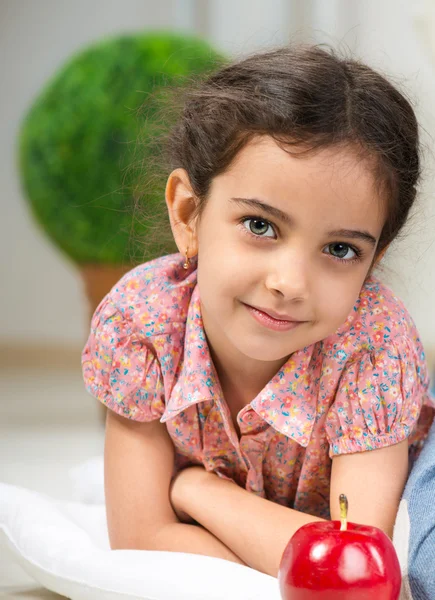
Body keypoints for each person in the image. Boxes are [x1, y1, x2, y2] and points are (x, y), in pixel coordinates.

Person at [81, 44, 435, 578]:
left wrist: (196, 491)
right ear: (188, 213)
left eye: (341, 250)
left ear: (372, 263)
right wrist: (288, 554)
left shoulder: (374, 347)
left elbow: (359, 565)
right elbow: (137, 540)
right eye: (260, 225)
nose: (289, 284)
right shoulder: (144, 323)